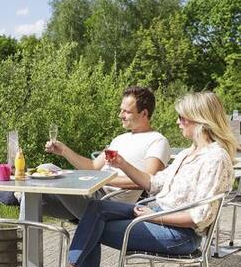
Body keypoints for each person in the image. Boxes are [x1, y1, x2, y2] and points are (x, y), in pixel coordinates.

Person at [46, 92, 236, 267]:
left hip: (178, 234)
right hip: (156, 213)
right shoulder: (189, 153)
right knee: (94, 210)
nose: (177, 122)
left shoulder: (215, 158)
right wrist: (122, 164)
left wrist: (155, 218)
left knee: (92, 230)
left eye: (182, 118)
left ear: (200, 120)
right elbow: (153, 183)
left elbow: (200, 217)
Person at [43, 86, 170, 221]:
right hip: (90, 192)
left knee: (53, 180)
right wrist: (64, 150)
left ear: (144, 113)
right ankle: (19, 205)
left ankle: (18, 196)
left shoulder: (157, 141)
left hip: (108, 203)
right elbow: (93, 166)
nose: (120, 115)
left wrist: (105, 180)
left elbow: (150, 181)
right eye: (121, 110)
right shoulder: (119, 139)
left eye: (126, 111)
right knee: (44, 173)